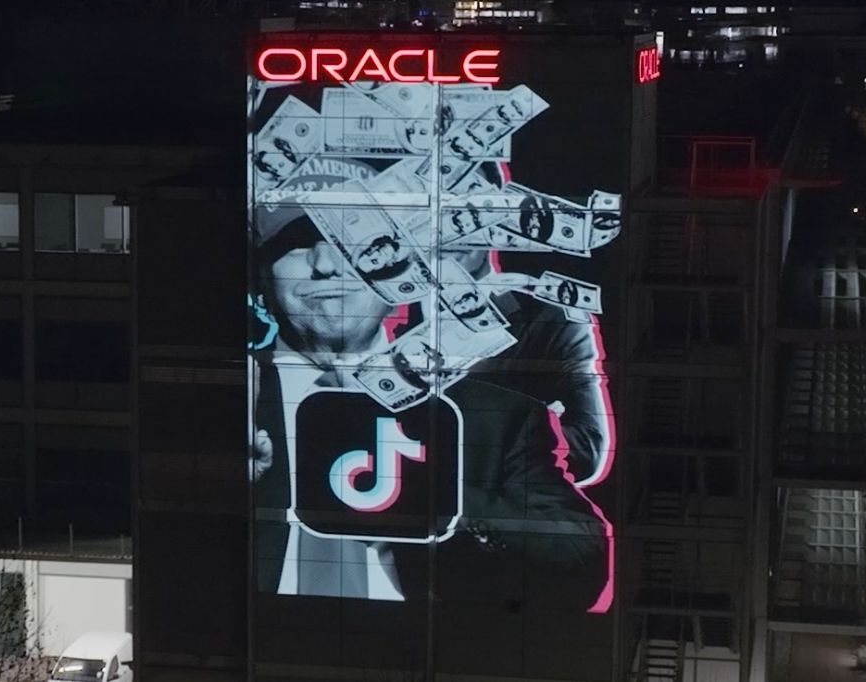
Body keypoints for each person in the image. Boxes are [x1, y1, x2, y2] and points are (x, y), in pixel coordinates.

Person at [251, 204, 608, 610]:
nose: (327, 264)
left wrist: (435, 497)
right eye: (294, 245)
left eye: (349, 241)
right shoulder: (229, 400)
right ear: (261, 277)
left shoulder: (491, 415)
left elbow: (581, 564)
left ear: (404, 276)